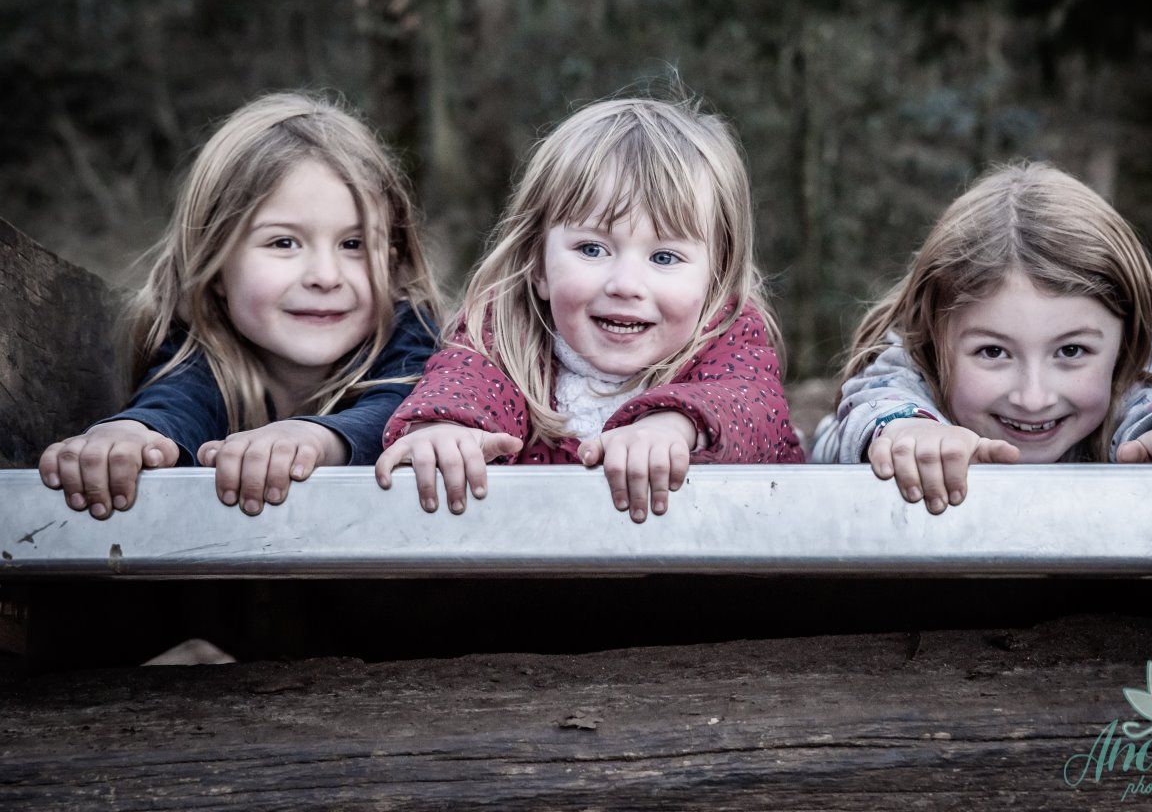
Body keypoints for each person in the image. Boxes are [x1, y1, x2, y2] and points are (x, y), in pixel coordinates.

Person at [376, 95, 803, 522]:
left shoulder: (730, 339)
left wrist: (676, 424)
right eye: (592, 248)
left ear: (717, 277)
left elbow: (753, 407)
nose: (624, 285)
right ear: (538, 265)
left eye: (664, 257)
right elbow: (464, 381)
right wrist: (446, 431)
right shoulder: (504, 333)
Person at [40, 92, 442, 519]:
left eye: (353, 244)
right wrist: (134, 434)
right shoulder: (204, 349)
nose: (326, 275)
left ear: (394, 259)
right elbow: (177, 403)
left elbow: (404, 412)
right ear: (214, 269)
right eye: (283, 242)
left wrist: (316, 439)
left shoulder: (412, 337)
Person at [811, 161, 1152, 513]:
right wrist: (908, 431)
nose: (1033, 397)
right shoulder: (910, 369)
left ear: (1125, 345)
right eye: (992, 351)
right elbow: (875, 404)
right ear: (934, 340)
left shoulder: (1135, 372)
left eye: (1070, 350)